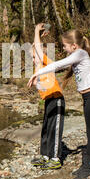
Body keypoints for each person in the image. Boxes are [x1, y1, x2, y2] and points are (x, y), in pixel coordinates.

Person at [27, 29, 90, 179]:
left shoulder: (81, 53)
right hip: (89, 97)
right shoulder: (77, 56)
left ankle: (89, 167)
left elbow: (57, 64)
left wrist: (36, 73)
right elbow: (55, 62)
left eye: (64, 46)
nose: (63, 48)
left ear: (74, 45)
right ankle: (86, 166)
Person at [29, 23, 65, 170]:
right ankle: (45, 155)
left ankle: (55, 158)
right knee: (46, 128)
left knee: (55, 129)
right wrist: (37, 38)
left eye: (33, 57)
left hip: (56, 98)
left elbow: (37, 49)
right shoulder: (38, 66)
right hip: (48, 99)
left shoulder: (45, 62)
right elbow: (35, 47)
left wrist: (36, 30)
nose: (32, 60)